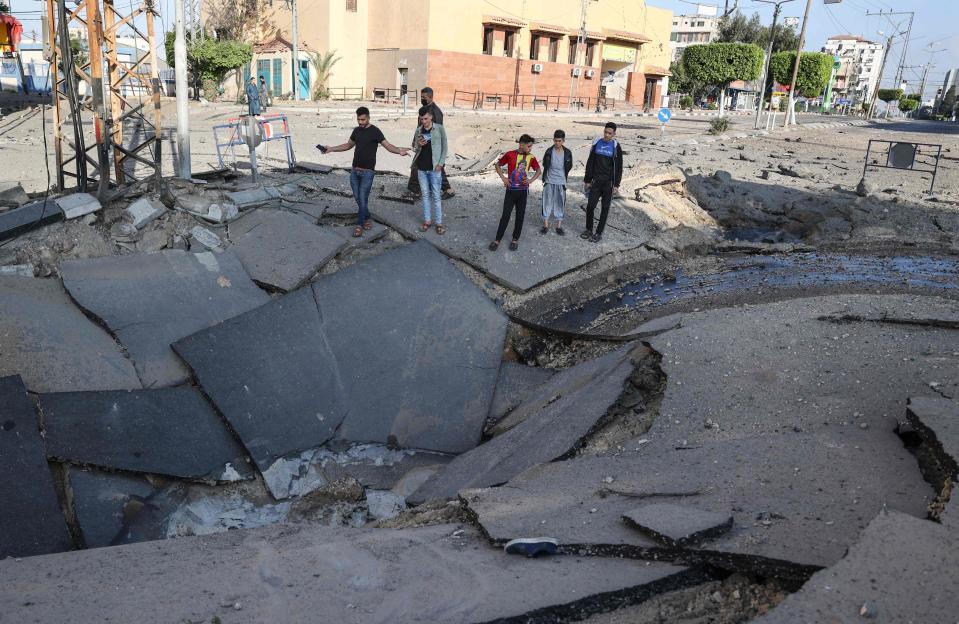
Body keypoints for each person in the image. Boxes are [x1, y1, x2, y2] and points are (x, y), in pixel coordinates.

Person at [317, 106, 410, 237]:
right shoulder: (356, 131)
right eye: (358, 120)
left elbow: (388, 146)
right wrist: (331, 149)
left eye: (363, 119)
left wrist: (399, 150)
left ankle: (359, 225)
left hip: (368, 173)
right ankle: (367, 217)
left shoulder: (375, 131)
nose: (360, 122)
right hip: (355, 171)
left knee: (362, 199)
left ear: (368, 117)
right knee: (358, 198)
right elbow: (348, 145)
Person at [489, 134, 541, 252]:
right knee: (505, 216)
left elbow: (538, 170)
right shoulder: (510, 154)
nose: (530, 149)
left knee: (520, 216)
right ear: (521, 145)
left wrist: (530, 181)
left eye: (531, 146)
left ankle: (515, 240)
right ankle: (497, 240)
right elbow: (497, 165)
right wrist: (503, 178)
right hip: (511, 192)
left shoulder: (531, 157)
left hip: (523, 192)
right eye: (529, 146)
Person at [404, 87, 454, 200]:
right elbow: (419, 127)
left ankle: (415, 191)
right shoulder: (424, 109)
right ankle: (446, 189)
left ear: (431, 97)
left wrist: (425, 141)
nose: (422, 99)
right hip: (422, 142)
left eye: (424, 97)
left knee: (421, 165)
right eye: (421, 97)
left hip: (430, 144)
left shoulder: (436, 112)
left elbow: (437, 130)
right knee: (431, 165)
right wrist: (415, 140)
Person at [582, 121, 623, 243]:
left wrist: (616, 185)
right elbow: (590, 163)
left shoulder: (616, 147)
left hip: (608, 184)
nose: (607, 135)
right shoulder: (596, 143)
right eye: (605, 132)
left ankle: (598, 233)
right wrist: (587, 180)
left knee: (605, 208)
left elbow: (619, 167)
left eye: (610, 133)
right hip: (596, 182)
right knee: (590, 206)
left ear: (614, 134)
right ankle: (589, 229)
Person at [412, 110, 448, 234]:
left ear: (431, 117)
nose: (424, 122)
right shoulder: (418, 130)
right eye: (422, 119)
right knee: (425, 195)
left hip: (434, 168)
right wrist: (419, 144)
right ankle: (427, 221)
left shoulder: (439, 129)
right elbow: (414, 147)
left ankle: (439, 223)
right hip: (422, 168)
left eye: (426, 119)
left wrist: (441, 163)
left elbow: (445, 146)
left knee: (436, 196)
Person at [540, 129, 573, 236]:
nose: (557, 143)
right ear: (553, 140)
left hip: (561, 181)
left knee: (560, 203)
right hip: (549, 180)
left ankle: (559, 226)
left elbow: (569, 166)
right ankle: (545, 225)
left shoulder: (567, 153)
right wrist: (544, 178)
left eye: (559, 141)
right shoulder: (549, 151)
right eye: (555, 140)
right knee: (547, 201)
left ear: (563, 141)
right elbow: (545, 164)